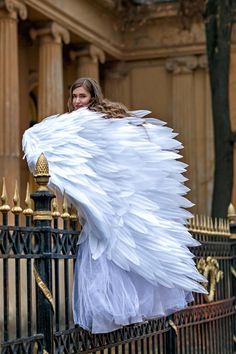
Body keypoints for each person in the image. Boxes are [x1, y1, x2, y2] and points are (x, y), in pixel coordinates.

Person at [22, 77, 207, 334]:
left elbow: (125, 149)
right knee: (107, 251)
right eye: (74, 96)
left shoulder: (105, 121)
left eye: (82, 97)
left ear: (93, 97)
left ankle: (123, 310)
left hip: (113, 200)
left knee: (120, 250)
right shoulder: (74, 123)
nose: (77, 102)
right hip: (100, 203)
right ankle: (113, 312)